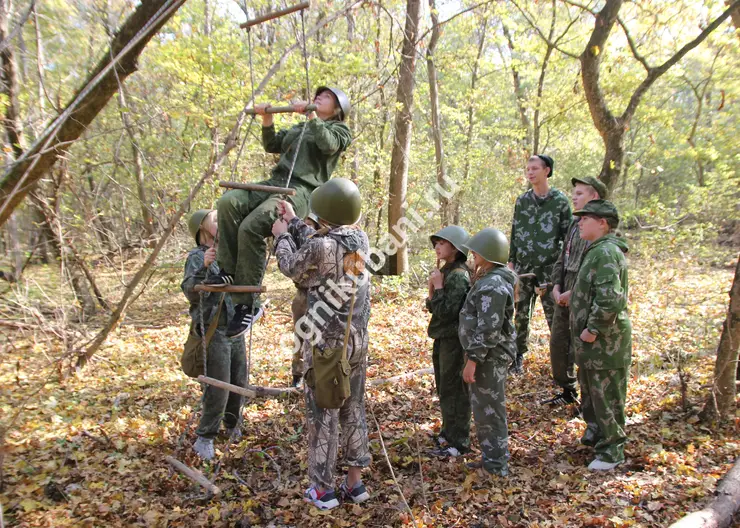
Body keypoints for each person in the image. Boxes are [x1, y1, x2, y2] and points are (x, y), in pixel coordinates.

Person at [207, 87, 353, 338]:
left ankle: (248, 305)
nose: (318, 97)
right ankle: (228, 271)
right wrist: (267, 119)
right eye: (317, 95)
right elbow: (273, 144)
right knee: (228, 202)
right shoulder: (301, 127)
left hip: (300, 189)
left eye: (325, 96)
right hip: (275, 181)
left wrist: (311, 117)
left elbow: (327, 145)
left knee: (253, 225)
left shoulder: (339, 130)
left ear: (338, 108)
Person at [272, 178, 371, 510]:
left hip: (327, 347)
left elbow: (293, 266)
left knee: (323, 414)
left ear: (325, 213)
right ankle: (355, 484)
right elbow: (325, 244)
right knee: (352, 408)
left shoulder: (321, 247)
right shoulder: (360, 241)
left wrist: (281, 235)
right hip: (355, 342)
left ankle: (323, 490)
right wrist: (296, 221)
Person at [570, 200, 631, 471]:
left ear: (603, 223)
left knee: (607, 395)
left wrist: (593, 329)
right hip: (593, 343)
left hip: (607, 342)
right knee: (593, 393)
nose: (580, 222)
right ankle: (597, 436)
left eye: (586, 218)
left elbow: (609, 299)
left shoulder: (606, 252)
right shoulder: (596, 250)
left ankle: (612, 451)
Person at [181, 210, 247, 461]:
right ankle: (205, 437)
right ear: (202, 228)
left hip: (234, 327)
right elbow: (190, 290)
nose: (221, 222)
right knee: (217, 386)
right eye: (216, 220)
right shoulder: (196, 257)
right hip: (212, 330)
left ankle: (232, 425)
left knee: (239, 381)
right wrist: (206, 268)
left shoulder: (227, 252)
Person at [542, 176, 607, 406]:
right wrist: (556, 287)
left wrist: (576, 293)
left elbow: (597, 272)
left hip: (585, 297)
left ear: (594, 196)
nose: (574, 197)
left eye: (579, 193)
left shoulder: (602, 228)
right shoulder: (574, 223)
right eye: (574, 193)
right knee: (559, 346)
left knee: (584, 350)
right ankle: (568, 391)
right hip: (564, 292)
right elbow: (563, 258)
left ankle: (590, 403)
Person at [459, 228, 517, 477]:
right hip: (485, 356)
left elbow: (489, 329)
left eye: (477, 251)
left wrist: (473, 360)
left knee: (490, 411)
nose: (472, 254)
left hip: (488, 357)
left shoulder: (493, 284)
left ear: (489, 254)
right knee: (485, 410)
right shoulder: (490, 279)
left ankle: (496, 465)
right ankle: (491, 458)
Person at [508, 154, 572, 374]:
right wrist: (511, 262)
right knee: (520, 314)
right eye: (527, 169)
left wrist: (564, 269)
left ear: (547, 171)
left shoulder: (560, 201)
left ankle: (562, 362)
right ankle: (516, 357)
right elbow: (515, 232)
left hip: (550, 269)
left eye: (535, 168)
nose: (530, 172)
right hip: (524, 268)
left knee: (554, 316)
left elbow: (568, 237)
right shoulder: (522, 200)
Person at [425, 226, 472, 458]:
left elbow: (449, 312)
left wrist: (440, 287)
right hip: (443, 337)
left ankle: (459, 441)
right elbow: (434, 307)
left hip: (454, 339)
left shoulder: (459, 275)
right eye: (436, 243)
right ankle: (448, 432)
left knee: (455, 389)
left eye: (442, 243)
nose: (437, 247)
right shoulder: (447, 270)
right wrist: (432, 291)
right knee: (444, 387)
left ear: (455, 247)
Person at [290, 212, 321, 387]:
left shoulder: (321, 244)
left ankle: (317, 373)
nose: (307, 227)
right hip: (302, 296)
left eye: (311, 225)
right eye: (305, 224)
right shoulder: (299, 245)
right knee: (299, 337)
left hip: (320, 297)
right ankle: (298, 374)